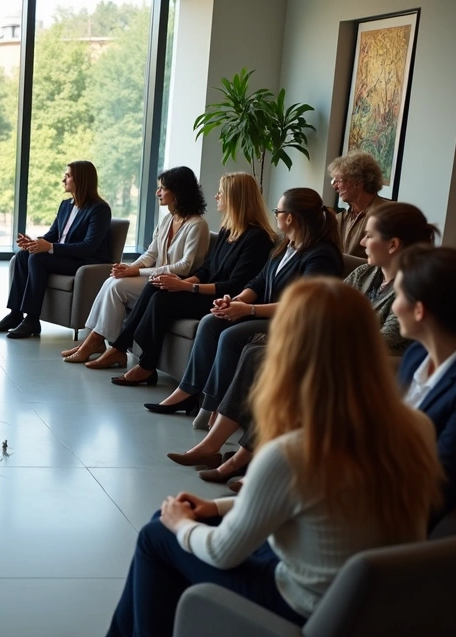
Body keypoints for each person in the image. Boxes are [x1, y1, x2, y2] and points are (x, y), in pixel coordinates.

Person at [105, 278, 442, 637]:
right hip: (370, 604)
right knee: (172, 525)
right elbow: (328, 505)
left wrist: (180, 523)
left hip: (300, 603)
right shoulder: (417, 427)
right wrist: (219, 508)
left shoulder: (294, 452)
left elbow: (223, 553)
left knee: (159, 532)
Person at [168, 203, 437, 483]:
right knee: (254, 352)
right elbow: (325, 309)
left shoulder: (413, 286)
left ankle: (243, 460)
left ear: (393, 244)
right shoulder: (364, 274)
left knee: (270, 359)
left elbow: (388, 339)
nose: (361, 242)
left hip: (373, 364)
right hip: (337, 350)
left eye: (369, 235)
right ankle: (213, 446)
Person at [141, 188, 343, 425]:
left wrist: (250, 310)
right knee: (210, 321)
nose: (275, 215)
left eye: (277, 211)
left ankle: (213, 406)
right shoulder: (284, 246)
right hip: (265, 313)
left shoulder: (321, 256)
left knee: (231, 336)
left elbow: (303, 305)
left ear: (290, 218)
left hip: (292, 322)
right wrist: (236, 301)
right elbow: (257, 282)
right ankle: (187, 392)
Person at [100, 173, 276, 383]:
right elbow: (207, 268)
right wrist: (183, 283)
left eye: (221, 192)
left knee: (161, 300)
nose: (216, 196)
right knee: (155, 286)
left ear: (235, 197)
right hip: (208, 290)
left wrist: (187, 288)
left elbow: (235, 285)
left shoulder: (257, 238)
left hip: (227, 299)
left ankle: (146, 364)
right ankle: (123, 347)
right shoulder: (228, 229)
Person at [62, 166, 209, 366]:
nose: (157, 192)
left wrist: (137, 271)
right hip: (156, 277)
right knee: (113, 280)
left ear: (178, 192)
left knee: (117, 288)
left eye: (162, 188)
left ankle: (100, 344)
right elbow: (151, 253)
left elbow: (184, 267)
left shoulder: (197, 225)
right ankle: (93, 341)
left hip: (176, 283)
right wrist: (128, 268)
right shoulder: (168, 219)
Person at [0, 160, 112, 339]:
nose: (64, 180)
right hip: (63, 256)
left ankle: (32, 319)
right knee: (24, 256)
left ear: (81, 180)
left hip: (84, 261)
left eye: (68, 176)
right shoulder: (65, 205)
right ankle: (15, 314)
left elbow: (88, 247)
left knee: (38, 259)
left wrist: (50, 247)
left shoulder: (99, 209)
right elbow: (52, 235)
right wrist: (34, 244)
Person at [395, 244, 456, 525]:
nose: (394, 305)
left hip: (402, 514)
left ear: (419, 310)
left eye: (397, 295)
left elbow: (439, 482)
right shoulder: (416, 353)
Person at [329, 150, 387, 258]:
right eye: (333, 181)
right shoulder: (340, 218)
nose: (335, 187)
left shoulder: (386, 214)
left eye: (339, 181)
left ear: (358, 182)